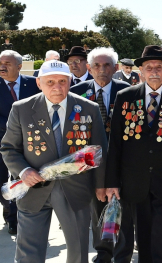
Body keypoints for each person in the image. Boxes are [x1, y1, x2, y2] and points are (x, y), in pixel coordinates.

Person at [0, 60, 108, 263]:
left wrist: (101, 186)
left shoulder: (88, 108)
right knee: (28, 252)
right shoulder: (21, 108)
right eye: (50, 82)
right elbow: (9, 148)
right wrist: (23, 171)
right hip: (33, 189)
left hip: (74, 190)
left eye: (62, 81)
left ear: (69, 82)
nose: (57, 87)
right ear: (39, 83)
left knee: (77, 250)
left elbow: (100, 151)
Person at [105, 45, 162, 262]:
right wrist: (112, 181)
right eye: (149, 67)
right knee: (143, 238)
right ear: (141, 71)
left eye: (159, 67)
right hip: (134, 182)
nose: (154, 71)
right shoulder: (125, 97)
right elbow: (115, 143)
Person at [69, 47, 131, 263]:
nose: (102, 69)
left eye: (107, 65)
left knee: (121, 206)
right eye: (96, 65)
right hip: (90, 163)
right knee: (98, 207)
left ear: (115, 68)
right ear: (89, 68)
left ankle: (123, 253)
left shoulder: (127, 91)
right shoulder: (76, 92)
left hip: (120, 159)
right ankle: (103, 251)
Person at [0, 50, 41, 235]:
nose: (2, 66)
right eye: (0, 63)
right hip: (2, 141)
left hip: (29, 142)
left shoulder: (33, 84)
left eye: (7, 63)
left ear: (19, 66)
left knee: (20, 178)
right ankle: (8, 208)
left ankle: (15, 218)